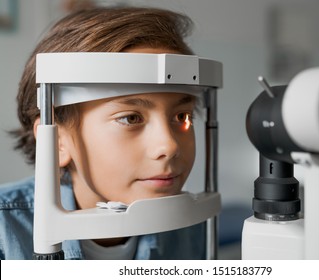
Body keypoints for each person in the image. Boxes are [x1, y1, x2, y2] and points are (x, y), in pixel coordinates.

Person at [0, 6, 206, 260]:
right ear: (57, 141)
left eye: (182, 117)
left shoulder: (191, 224)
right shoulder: (5, 233)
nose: (169, 145)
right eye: (131, 118)